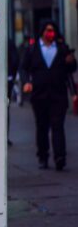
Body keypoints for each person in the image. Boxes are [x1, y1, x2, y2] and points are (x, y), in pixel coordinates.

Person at [21, 20, 76, 170]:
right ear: (42, 32)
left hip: (58, 95)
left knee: (58, 126)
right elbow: (24, 68)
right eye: (48, 30)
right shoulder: (32, 49)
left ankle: (60, 156)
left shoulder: (62, 48)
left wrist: (71, 62)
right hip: (39, 95)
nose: (50, 33)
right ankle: (43, 156)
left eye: (53, 30)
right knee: (42, 126)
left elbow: (70, 70)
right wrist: (26, 82)